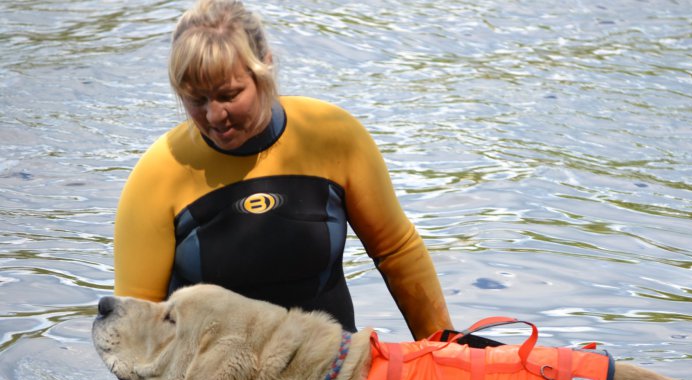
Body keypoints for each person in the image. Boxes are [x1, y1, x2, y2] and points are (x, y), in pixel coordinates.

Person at [113, 0, 453, 339]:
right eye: (196, 100)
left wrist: (446, 351)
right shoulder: (156, 176)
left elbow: (397, 253)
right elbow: (134, 334)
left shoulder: (332, 136)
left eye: (229, 95)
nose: (215, 116)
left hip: (334, 375)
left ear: (265, 68)